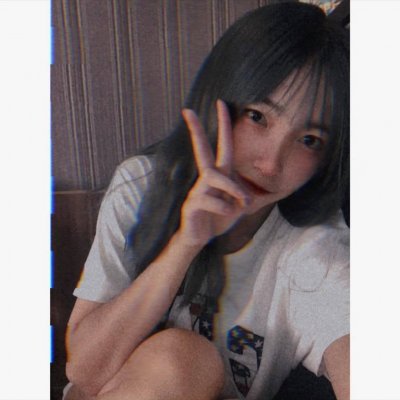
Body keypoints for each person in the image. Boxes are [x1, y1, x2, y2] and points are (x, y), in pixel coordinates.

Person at [64, 2, 349, 399]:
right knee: (181, 359)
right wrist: (186, 242)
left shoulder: (311, 243)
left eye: (308, 140)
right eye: (258, 116)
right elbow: (85, 371)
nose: (270, 163)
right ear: (220, 96)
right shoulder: (142, 186)